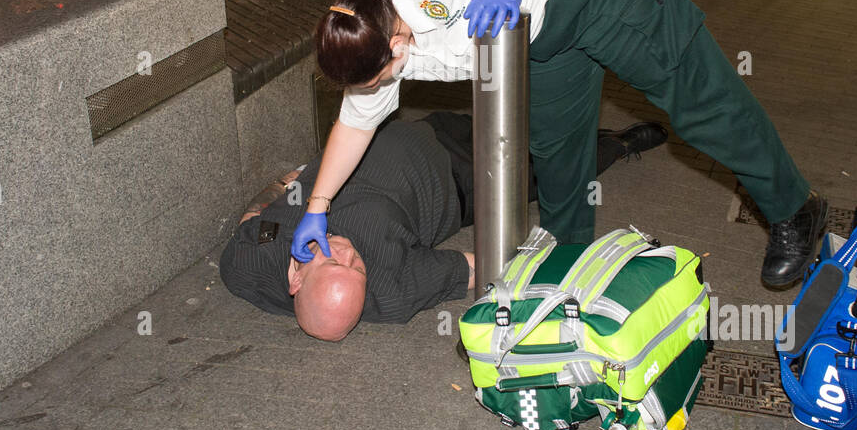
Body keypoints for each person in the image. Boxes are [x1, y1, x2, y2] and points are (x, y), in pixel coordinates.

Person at [296, 0, 827, 290]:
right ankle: (568, 275)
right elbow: (355, 124)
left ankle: (793, 206)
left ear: (395, 46)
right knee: (556, 151)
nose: (377, 90)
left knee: (694, 98)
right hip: (540, 36)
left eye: (378, 78)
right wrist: (316, 208)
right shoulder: (371, 33)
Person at [220, 112, 666, 340]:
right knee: (557, 167)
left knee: (520, 114)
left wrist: (287, 184)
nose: (349, 254)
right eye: (356, 269)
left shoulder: (245, 264)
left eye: (334, 261)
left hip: (418, 128)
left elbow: (252, 216)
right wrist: (592, 276)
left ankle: (586, 124)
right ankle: (618, 145)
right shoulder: (392, 288)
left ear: (296, 276)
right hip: (466, 180)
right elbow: (486, 267)